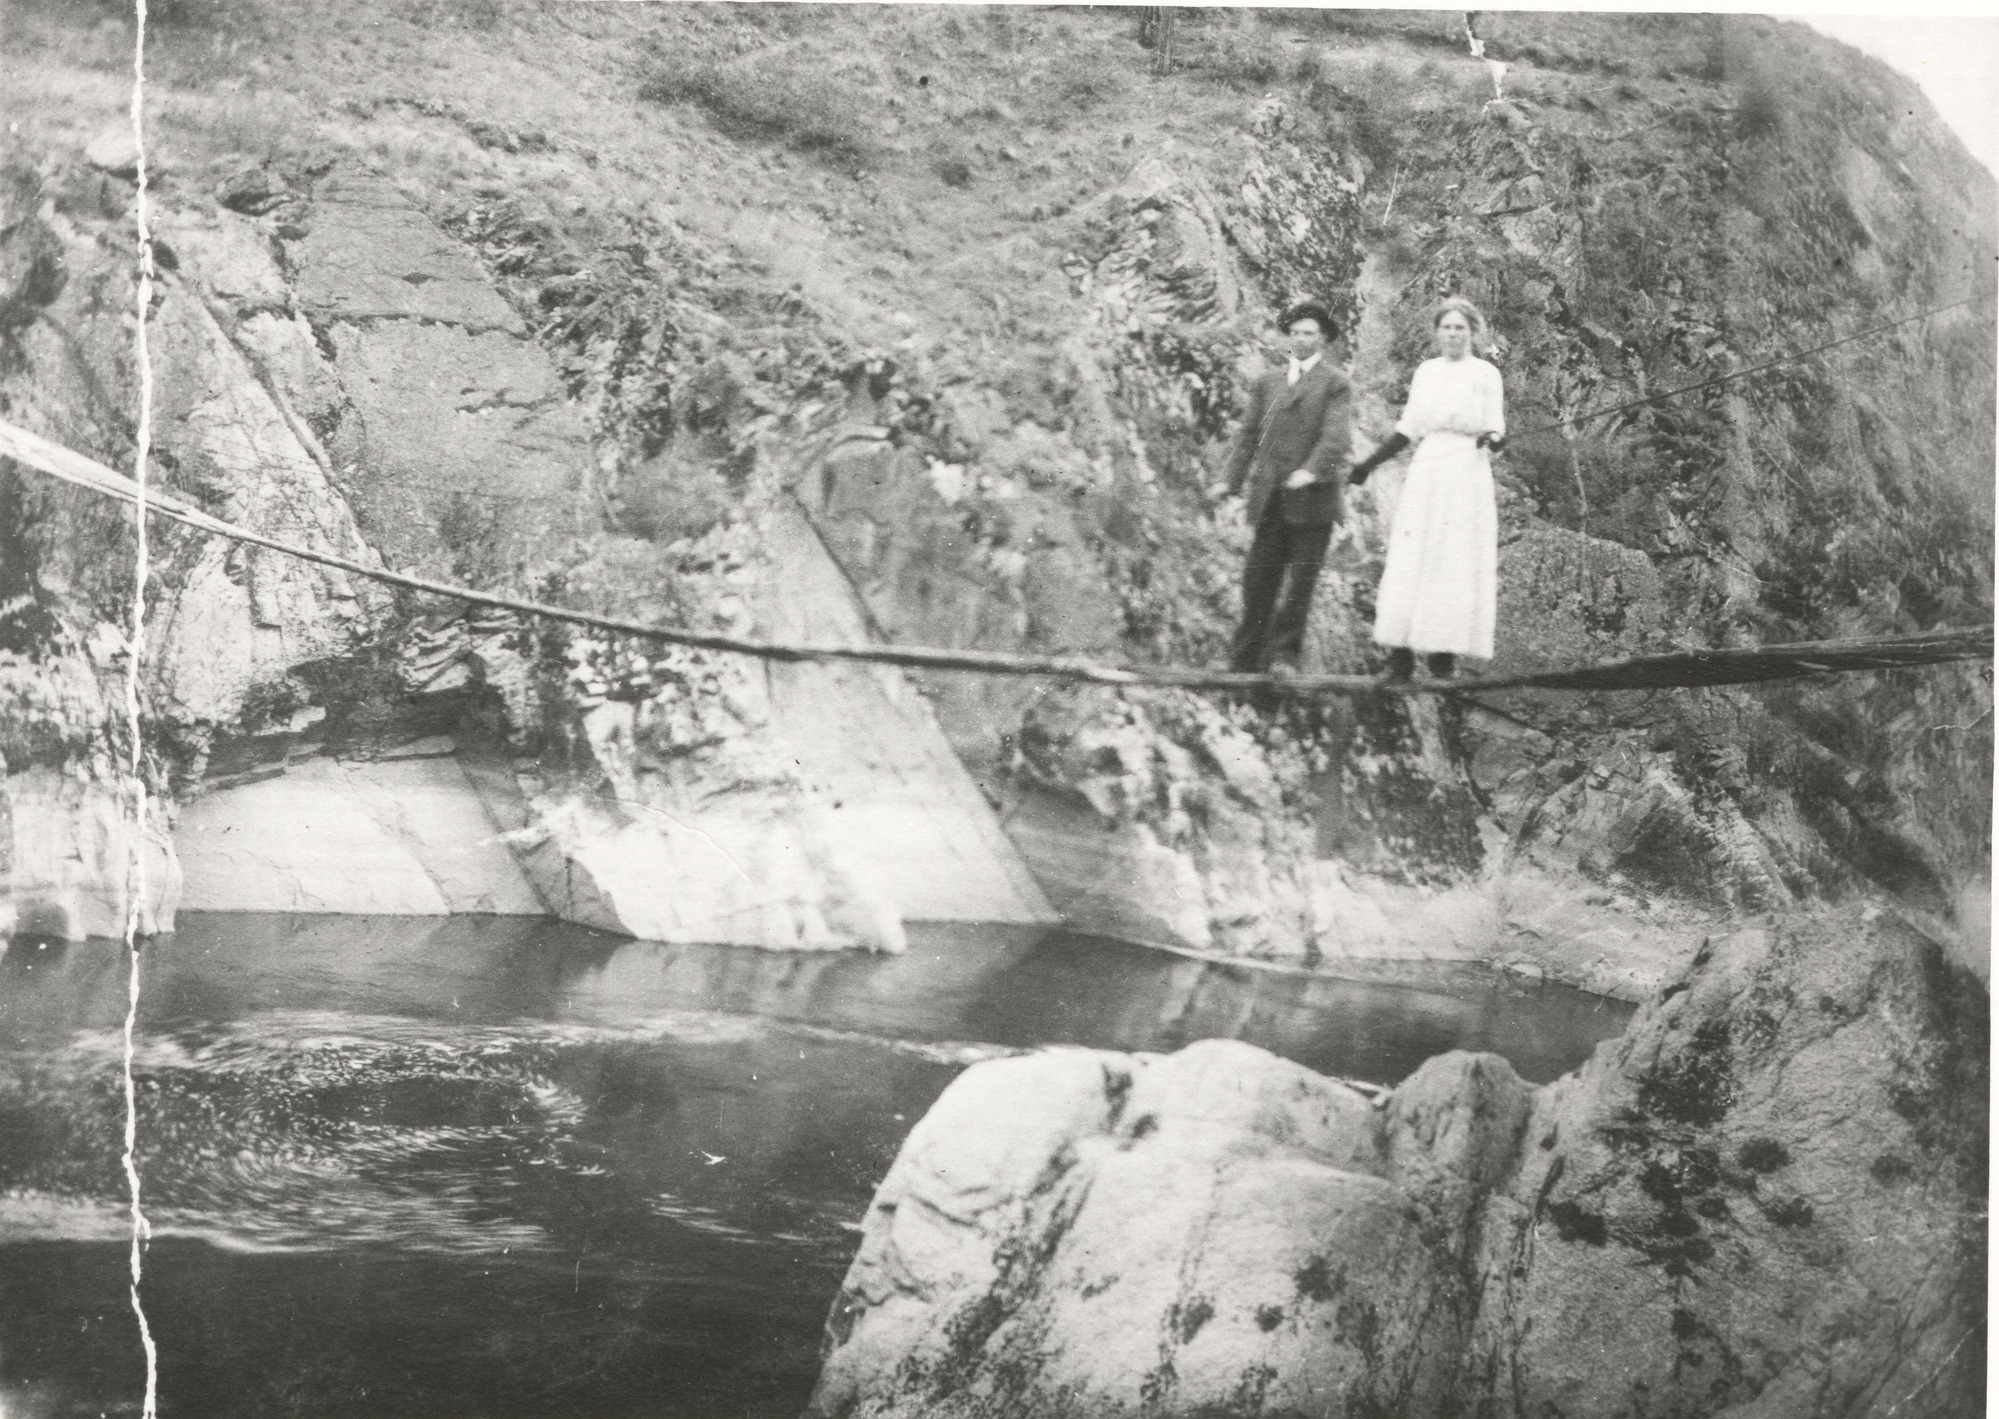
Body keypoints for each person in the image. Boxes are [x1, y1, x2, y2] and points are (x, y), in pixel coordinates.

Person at [1346, 297, 1506, 681]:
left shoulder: (1486, 374)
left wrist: (1492, 439)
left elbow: (1496, 427)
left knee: (1454, 561)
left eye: (1460, 328)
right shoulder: (1427, 372)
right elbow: (1408, 427)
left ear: (1472, 332)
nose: (1452, 334)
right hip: (1429, 466)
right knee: (1412, 553)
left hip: (1468, 468)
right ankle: (1399, 656)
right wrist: (1367, 465)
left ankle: (1443, 659)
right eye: (1446, 327)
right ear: (1436, 332)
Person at [1219, 300, 1353, 674]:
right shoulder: (1267, 382)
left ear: (1323, 339)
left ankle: (1283, 658)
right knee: (1258, 581)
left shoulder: (1335, 384)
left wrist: (1310, 471)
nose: (1299, 338)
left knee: (1299, 586)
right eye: (1293, 332)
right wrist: (1228, 481)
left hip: (1314, 501)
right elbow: (1247, 437)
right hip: (1271, 498)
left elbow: (1335, 439)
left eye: (1308, 332)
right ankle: (1243, 660)